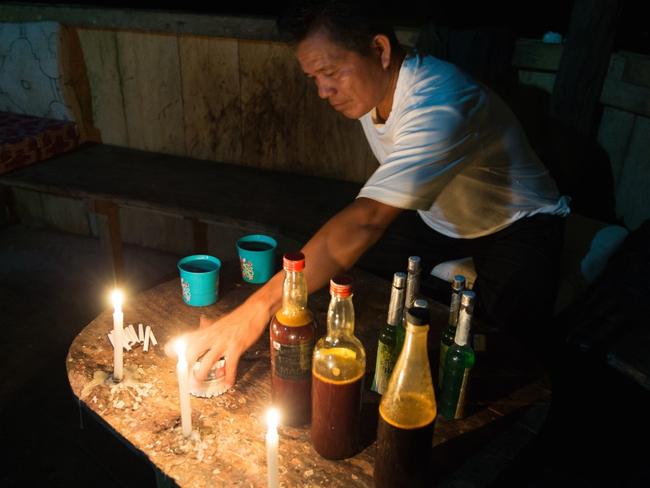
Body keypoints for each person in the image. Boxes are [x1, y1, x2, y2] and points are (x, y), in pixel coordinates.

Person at [170, 0, 570, 385]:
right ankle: (269, 338)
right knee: (335, 277)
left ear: (379, 49)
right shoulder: (373, 91)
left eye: (331, 72)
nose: (323, 91)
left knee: (504, 356)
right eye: (314, 78)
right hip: (438, 219)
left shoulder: (440, 102)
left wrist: (253, 311)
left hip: (520, 222)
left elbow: (367, 220)